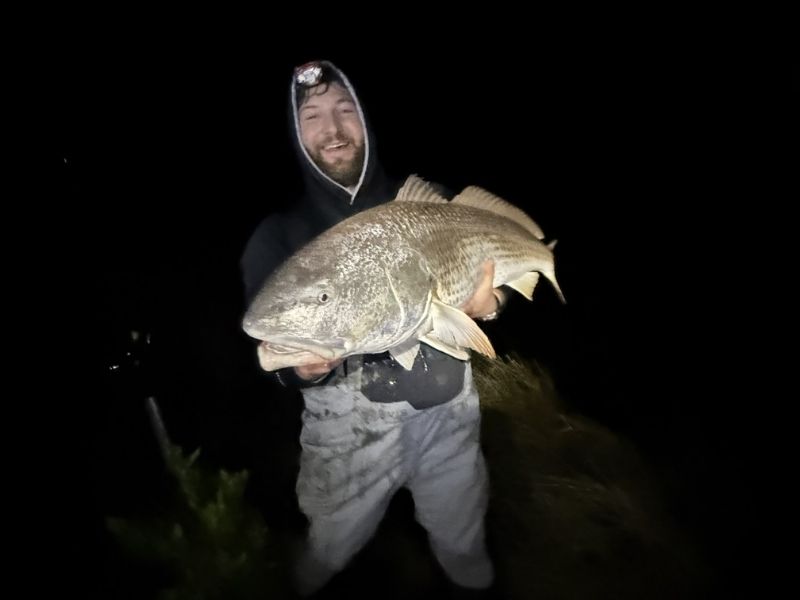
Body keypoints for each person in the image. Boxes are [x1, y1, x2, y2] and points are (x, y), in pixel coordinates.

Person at [240, 60, 507, 597]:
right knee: (325, 551)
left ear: (364, 120)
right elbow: (272, 356)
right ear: (297, 136)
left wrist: (493, 303)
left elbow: (491, 285)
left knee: (464, 545)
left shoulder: (432, 203)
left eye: (344, 110)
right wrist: (302, 372)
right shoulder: (277, 237)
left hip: (450, 423)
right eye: (312, 116)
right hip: (348, 443)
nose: (331, 129)